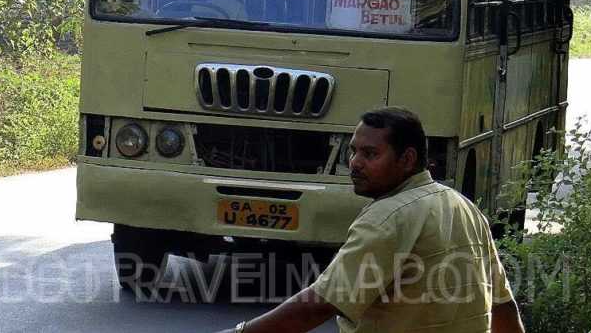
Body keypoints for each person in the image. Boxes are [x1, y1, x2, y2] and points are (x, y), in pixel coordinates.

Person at [215, 106, 525, 333]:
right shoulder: (466, 208)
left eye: (370, 154)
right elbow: (502, 305)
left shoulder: (386, 217)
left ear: (407, 160)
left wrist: (241, 332)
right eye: (353, 152)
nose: (355, 164)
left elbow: (321, 303)